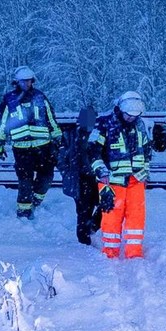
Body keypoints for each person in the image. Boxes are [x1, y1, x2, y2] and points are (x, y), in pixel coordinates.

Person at [0, 66, 62, 219]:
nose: (26, 84)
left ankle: (36, 199)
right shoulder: (9, 99)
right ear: (16, 82)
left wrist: (57, 137)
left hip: (43, 146)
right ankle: (24, 211)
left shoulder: (40, 97)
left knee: (47, 176)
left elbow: (50, 118)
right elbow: (2, 122)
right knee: (25, 180)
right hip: (21, 148)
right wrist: (0, 142)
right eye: (23, 81)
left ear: (32, 81)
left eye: (29, 81)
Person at [89, 91, 153, 259]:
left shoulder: (141, 125)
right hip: (111, 180)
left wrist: (145, 173)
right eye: (129, 115)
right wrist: (101, 171)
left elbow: (146, 151)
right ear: (120, 109)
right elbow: (93, 152)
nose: (132, 118)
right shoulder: (104, 124)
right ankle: (110, 254)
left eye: (135, 115)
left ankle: (134, 254)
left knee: (137, 218)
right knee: (111, 218)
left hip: (136, 179)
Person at [57, 104, 103, 245]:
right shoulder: (72, 135)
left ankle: (92, 228)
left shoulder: (100, 134)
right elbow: (62, 158)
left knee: (105, 206)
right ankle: (84, 240)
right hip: (80, 179)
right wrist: (67, 173)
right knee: (83, 211)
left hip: (98, 178)